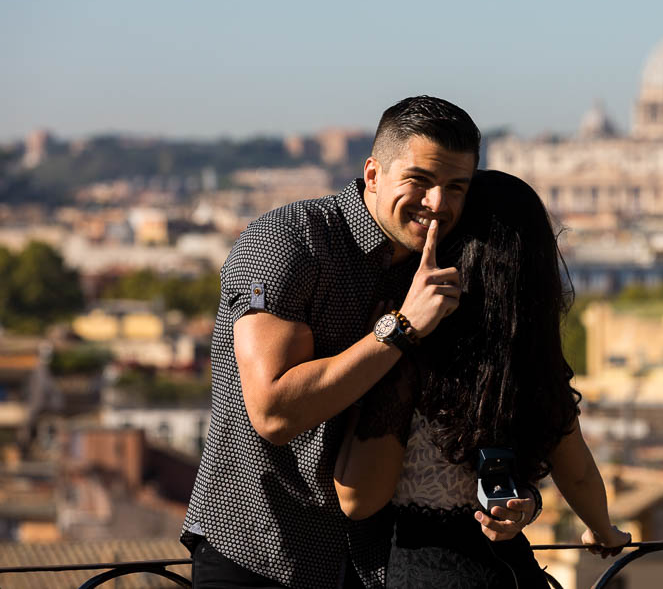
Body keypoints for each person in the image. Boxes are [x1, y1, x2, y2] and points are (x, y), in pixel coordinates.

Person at [181, 97, 538, 589]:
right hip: (257, 547)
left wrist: (521, 501)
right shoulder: (290, 243)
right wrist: (402, 327)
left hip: (373, 562)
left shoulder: (439, 267)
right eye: (420, 181)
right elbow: (275, 412)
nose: (438, 203)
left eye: (455, 187)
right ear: (373, 173)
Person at [334, 170, 632, 588]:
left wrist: (383, 348)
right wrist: (603, 531)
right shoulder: (528, 359)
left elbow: (358, 498)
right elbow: (577, 469)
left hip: (423, 573)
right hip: (509, 574)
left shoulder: (409, 350)